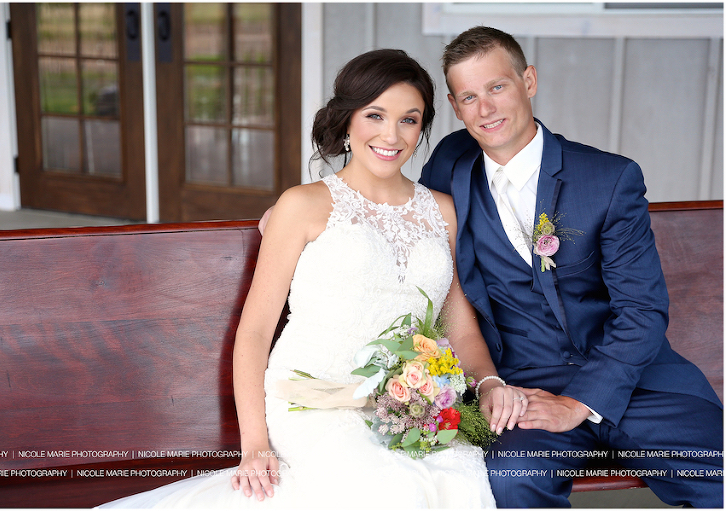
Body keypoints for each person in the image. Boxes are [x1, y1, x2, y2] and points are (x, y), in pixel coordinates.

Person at [100, 48, 529, 509]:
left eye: (409, 119)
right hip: (312, 403)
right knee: (388, 494)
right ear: (347, 121)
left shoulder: (442, 211)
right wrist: (255, 445)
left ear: (422, 128)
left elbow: (460, 328)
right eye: (375, 115)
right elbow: (256, 331)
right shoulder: (303, 205)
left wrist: (488, 383)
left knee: (461, 482)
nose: (391, 134)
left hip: (411, 410)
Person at [420, 26, 724, 508]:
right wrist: (313, 205)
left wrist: (578, 403)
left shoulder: (607, 178)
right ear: (456, 109)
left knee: (718, 473)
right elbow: (394, 205)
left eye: (497, 87)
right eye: (469, 97)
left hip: (638, 386)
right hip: (524, 392)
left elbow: (643, 312)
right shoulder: (450, 164)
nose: (486, 109)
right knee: (512, 477)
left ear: (529, 81)